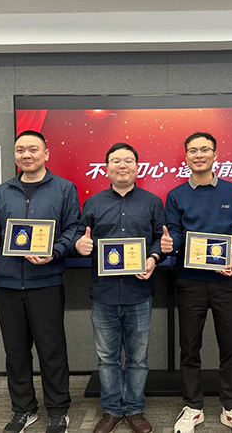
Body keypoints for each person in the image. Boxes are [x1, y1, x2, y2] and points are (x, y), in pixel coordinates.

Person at [0, 130, 80, 433]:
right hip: (8, 283)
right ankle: (23, 409)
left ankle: (58, 410)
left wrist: (55, 252)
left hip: (45, 282)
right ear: (15, 155)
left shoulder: (64, 188)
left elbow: (73, 229)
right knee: (15, 352)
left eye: (33, 149)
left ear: (46, 154)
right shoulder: (3, 191)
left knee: (52, 350)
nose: (26, 154)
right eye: (20, 149)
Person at [162, 132, 232, 433]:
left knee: (231, 346)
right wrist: (170, 244)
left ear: (216, 155)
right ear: (186, 156)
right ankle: (193, 407)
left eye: (205, 150)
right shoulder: (176, 195)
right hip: (190, 281)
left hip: (225, 281)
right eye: (193, 150)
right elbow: (176, 233)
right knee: (190, 348)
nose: (199, 155)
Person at [74, 143, 165, 433]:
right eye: (116, 160)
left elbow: (160, 239)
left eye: (128, 160)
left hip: (139, 292)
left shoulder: (152, 202)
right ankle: (112, 410)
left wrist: (154, 257)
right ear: (107, 167)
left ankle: (135, 409)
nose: (122, 165)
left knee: (138, 358)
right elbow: (80, 237)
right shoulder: (93, 203)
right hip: (104, 293)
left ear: (137, 166)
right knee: (107, 358)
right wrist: (79, 244)